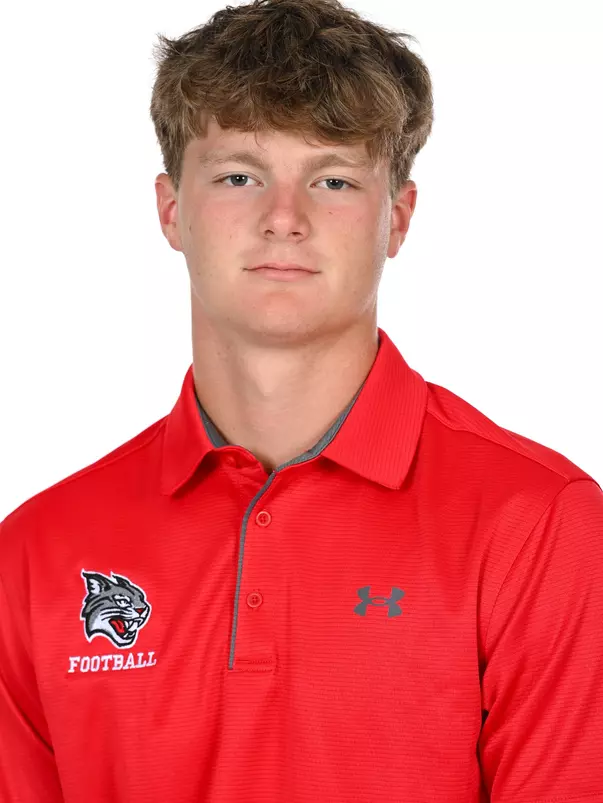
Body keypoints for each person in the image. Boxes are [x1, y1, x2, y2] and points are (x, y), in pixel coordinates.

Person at [1, 0, 602, 799]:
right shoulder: (37, 552)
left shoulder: (538, 525)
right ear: (170, 209)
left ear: (397, 217)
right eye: (239, 176)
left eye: (333, 179)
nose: (284, 218)